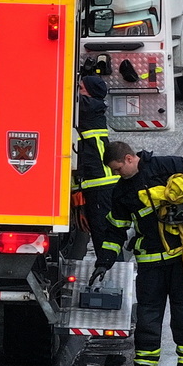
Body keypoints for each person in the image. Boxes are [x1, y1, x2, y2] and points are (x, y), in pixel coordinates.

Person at [96, 142, 183, 366]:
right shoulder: (121, 192)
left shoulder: (168, 166)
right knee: (148, 316)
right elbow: (116, 230)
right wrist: (105, 261)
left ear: (130, 159)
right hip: (150, 264)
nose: (116, 175)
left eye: (117, 169)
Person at [74, 75, 118, 260]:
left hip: (100, 183)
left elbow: (68, 96)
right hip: (98, 182)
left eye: (81, 88)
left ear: (90, 94)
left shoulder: (89, 106)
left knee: (103, 233)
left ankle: (109, 267)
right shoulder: (92, 107)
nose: (77, 91)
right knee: (101, 231)